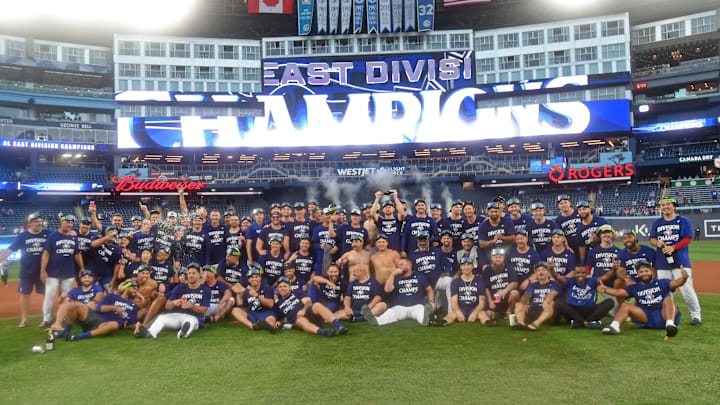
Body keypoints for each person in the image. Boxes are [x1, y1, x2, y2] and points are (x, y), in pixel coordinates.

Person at [599, 261, 687, 337]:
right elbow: (619, 292)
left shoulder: (662, 282)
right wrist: (605, 290)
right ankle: (614, 326)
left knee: (668, 299)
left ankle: (670, 324)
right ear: (638, 274)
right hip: (645, 317)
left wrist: (683, 278)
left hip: (663, 315)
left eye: (646, 271)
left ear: (651, 272)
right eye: (641, 272)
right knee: (625, 306)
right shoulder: (635, 287)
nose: (644, 273)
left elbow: (677, 283)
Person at [650, 197, 702, 325]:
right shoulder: (657, 223)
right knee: (665, 291)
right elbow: (652, 239)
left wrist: (673, 247)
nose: (665, 207)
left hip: (680, 261)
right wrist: (658, 243)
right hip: (662, 262)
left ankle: (696, 316)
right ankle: (669, 317)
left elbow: (687, 238)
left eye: (668, 204)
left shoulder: (683, 221)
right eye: (663, 205)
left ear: (674, 206)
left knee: (687, 289)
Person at [0, 213, 51, 327]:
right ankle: (24, 319)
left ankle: (46, 317)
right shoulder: (22, 236)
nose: (39, 223)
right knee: (25, 295)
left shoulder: (48, 234)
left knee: (45, 294)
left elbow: (60, 235)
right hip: (26, 272)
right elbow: (9, 250)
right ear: (30, 223)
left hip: (42, 272)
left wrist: (72, 232)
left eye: (40, 221)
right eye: (36, 221)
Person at [137, 263, 211, 339]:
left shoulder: (205, 290)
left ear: (199, 275)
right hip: (177, 316)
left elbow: (204, 310)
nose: (191, 275)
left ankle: (182, 333)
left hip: (194, 317)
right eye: (189, 273)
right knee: (161, 318)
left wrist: (192, 306)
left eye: (194, 273)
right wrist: (174, 303)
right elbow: (167, 306)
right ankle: (150, 333)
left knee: (190, 321)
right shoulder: (179, 288)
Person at [57, 280, 141, 341]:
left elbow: (131, 323)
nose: (136, 290)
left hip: (106, 325)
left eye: (137, 289)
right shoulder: (111, 296)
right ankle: (66, 331)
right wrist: (114, 307)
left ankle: (78, 336)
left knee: (114, 325)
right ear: (126, 288)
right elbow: (98, 308)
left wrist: (133, 325)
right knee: (75, 305)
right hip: (95, 318)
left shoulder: (133, 306)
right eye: (133, 288)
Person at [40, 214, 85, 327]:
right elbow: (46, 253)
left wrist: (82, 267)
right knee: (49, 295)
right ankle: (46, 318)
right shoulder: (53, 236)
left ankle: (64, 316)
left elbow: (77, 254)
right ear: (61, 222)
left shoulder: (74, 237)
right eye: (67, 222)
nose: (69, 224)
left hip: (68, 272)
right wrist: (43, 270)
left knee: (66, 297)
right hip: (52, 272)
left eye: (71, 223)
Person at [363, 257, 435, 327]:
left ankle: (425, 320)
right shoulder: (396, 277)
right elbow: (387, 290)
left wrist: (431, 301)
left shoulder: (419, 276)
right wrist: (392, 275)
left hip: (416, 306)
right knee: (390, 313)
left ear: (409, 266)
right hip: (400, 307)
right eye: (398, 265)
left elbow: (429, 290)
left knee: (421, 312)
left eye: (401, 264)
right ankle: (376, 321)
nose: (399, 266)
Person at [274, 276, 347, 337]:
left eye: (285, 286)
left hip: (310, 314)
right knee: (299, 320)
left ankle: (340, 326)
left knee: (316, 305)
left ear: (290, 287)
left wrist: (303, 310)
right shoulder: (278, 304)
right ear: (278, 289)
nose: (282, 288)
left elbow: (308, 302)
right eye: (280, 287)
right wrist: (280, 322)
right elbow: (283, 319)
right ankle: (323, 332)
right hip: (301, 321)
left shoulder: (297, 292)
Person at [549, 264, 613, 329]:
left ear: (586, 274)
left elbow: (606, 276)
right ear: (574, 273)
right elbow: (557, 277)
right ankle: (586, 323)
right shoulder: (570, 281)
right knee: (559, 302)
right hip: (573, 312)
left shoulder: (592, 280)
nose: (580, 275)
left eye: (583, 273)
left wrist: (614, 269)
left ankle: (580, 323)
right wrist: (551, 269)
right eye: (578, 273)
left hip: (589, 311)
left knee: (610, 302)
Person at [435, 256, 491, 326]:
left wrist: (475, 313)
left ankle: (488, 323)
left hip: (474, 308)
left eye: (468, 265)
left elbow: (482, 301)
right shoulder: (455, 281)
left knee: (482, 314)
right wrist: (458, 312)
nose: (466, 267)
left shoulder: (479, 281)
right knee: (452, 314)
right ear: (461, 267)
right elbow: (453, 300)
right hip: (461, 308)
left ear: (472, 266)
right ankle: (442, 322)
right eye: (464, 265)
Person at [230, 266, 277, 333]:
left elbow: (270, 304)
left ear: (260, 278)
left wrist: (257, 295)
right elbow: (246, 308)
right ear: (248, 280)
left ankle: (267, 325)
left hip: (267, 312)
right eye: (252, 277)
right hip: (253, 313)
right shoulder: (246, 292)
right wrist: (240, 317)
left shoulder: (266, 288)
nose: (254, 279)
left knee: (271, 323)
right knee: (235, 310)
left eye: (256, 277)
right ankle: (253, 326)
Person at [513, 262, 559, 331]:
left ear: (548, 272)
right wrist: (524, 301)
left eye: (543, 270)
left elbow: (552, 293)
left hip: (548, 313)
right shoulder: (533, 285)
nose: (541, 272)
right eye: (538, 270)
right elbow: (526, 296)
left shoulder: (554, 284)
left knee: (551, 303)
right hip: (534, 311)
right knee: (519, 304)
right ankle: (520, 323)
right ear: (536, 273)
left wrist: (545, 302)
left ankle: (536, 324)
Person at [482, 248, 520, 320]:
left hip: (506, 296)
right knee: (489, 314)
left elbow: (514, 283)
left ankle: (508, 312)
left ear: (503, 258)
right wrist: (490, 301)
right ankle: (497, 312)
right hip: (494, 298)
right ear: (491, 258)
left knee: (515, 293)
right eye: (496, 257)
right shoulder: (487, 270)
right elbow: (485, 288)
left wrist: (504, 291)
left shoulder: (509, 267)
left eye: (500, 257)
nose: (498, 259)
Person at [554, 194, 582, 262]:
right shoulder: (558, 220)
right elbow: (562, 235)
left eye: (565, 202)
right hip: (571, 247)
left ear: (569, 203)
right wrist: (567, 247)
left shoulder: (579, 212)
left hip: (583, 244)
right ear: (559, 206)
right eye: (561, 203)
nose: (563, 205)